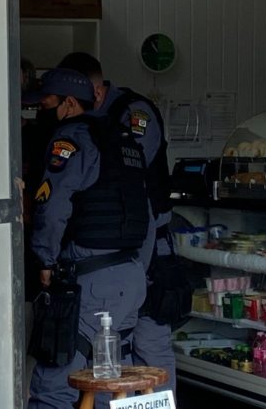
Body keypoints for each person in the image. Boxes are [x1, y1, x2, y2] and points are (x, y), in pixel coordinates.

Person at [58, 52, 184, 396]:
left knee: (150, 345)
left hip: (149, 247)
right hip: (116, 254)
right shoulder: (90, 126)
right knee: (111, 353)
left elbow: (133, 186)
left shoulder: (134, 114)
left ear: (95, 92)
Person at [26, 68, 150, 409]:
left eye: (45, 103)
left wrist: (44, 260)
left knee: (56, 383)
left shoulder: (71, 139)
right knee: (111, 384)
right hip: (129, 275)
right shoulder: (124, 140)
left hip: (90, 280)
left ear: (67, 103)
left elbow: (52, 208)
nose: (40, 111)